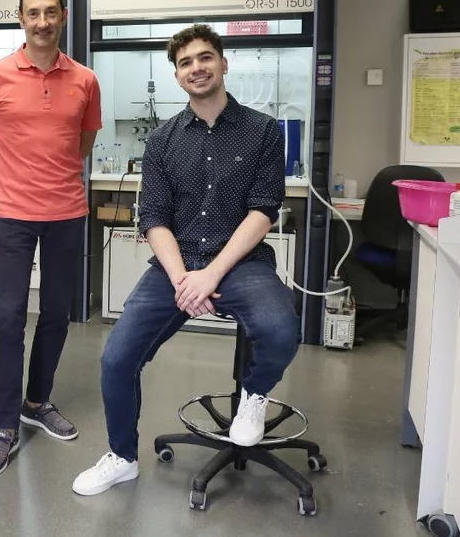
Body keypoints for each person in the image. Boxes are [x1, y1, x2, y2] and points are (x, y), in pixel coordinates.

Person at [71, 24, 300, 496]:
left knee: (281, 329)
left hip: (242, 263)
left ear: (223, 63)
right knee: (116, 359)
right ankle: (122, 456)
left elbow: (263, 210)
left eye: (204, 58)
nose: (196, 68)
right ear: (176, 76)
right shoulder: (163, 140)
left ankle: (253, 396)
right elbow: (152, 216)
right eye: (185, 63)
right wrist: (182, 279)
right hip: (176, 267)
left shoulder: (262, 132)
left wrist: (210, 275)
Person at [0, 0, 102, 476]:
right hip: (13, 215)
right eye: (33, 13)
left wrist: (49, 177)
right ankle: (3, 424)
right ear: (19, 18)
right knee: (7, 317)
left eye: (50, 12)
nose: (42, 21)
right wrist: (10, 181)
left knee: (57, 313)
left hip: (67, 211)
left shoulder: (85, 80)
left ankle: (36, 400)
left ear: (63, 16)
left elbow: (82, 143)